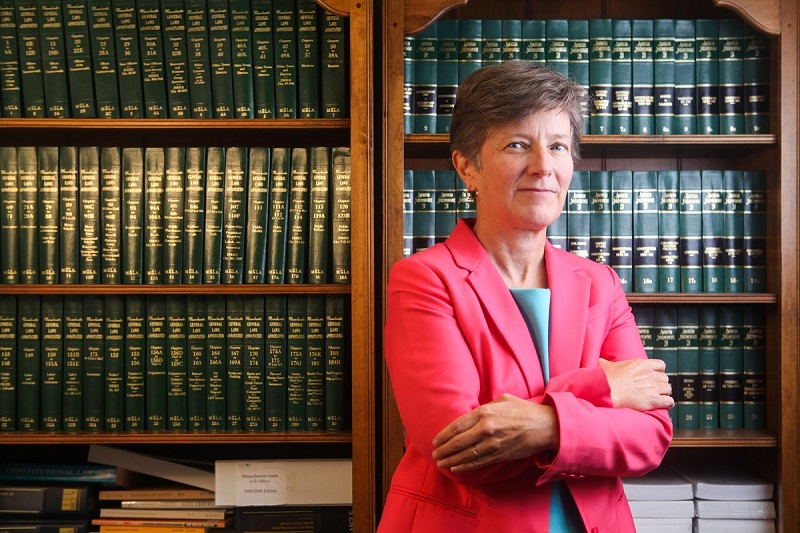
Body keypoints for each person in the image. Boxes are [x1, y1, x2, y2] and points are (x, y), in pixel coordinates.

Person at [379, 60, 674, 533]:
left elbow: (650, 438)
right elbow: (464, 451)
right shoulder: (424, 279)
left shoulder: (600, 282)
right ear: (466, 166)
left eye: (558, 146)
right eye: (518, 144)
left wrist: (540, 425)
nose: (543, 167)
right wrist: (602, 391)